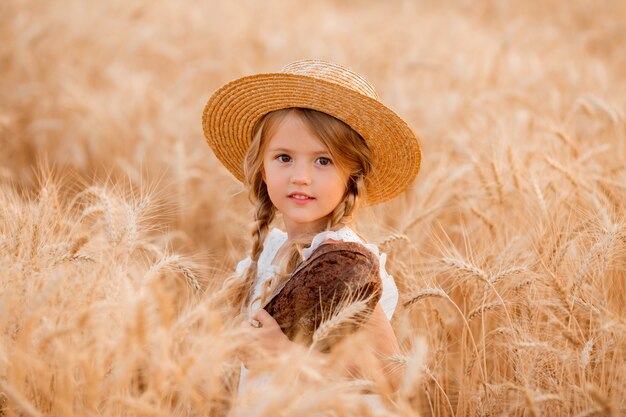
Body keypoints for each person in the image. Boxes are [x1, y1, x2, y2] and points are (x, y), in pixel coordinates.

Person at [202, 60, 421, 400]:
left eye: (323, 161)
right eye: (284, 157)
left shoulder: (343, 260)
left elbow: (394, 376)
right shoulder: (272, 252)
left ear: (353, 175)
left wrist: (287, 356)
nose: (301, 176)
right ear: (262, 167)